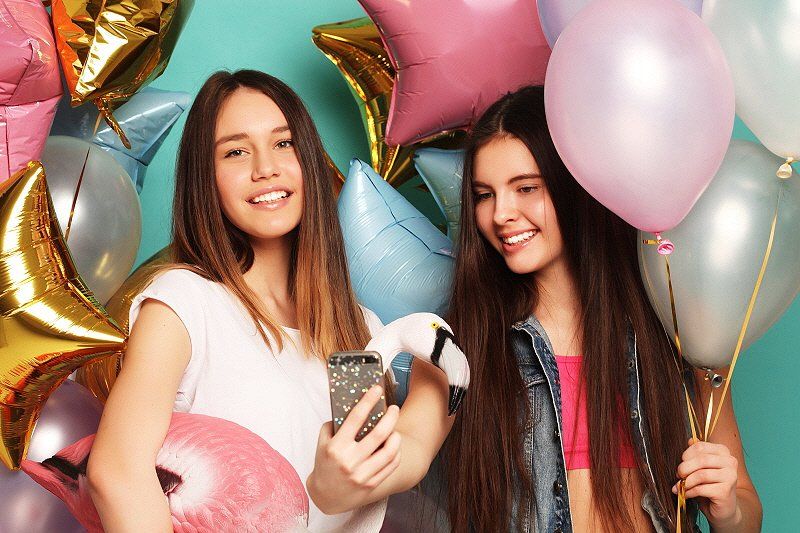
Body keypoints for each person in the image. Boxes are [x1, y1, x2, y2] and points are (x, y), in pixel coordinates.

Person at [86, 69, 453, 532]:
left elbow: (361, 485)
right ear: (207, 178)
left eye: (284, 144)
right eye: (236, 152)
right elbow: (116, 473)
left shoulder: (360, 328)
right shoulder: (184, 302)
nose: (266, 168)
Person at [443, 86, 762, 532]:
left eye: (526, 188)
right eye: (484, 194)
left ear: (575, 185)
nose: (501, 214)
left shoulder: (676, 326)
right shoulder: (469, 343)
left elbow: (746, 514)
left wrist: (728, 507)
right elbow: (414, 454)